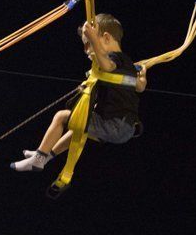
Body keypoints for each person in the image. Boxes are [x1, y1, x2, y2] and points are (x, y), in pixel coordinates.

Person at [10, 14, 147, 172]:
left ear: (107, 38)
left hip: (117, 126)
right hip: (124, 127)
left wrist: (94, 39)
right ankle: (45, 156)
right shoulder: (127, 64)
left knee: (62, 117)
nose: (87, 50)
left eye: (88, 44)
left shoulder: (115, 59)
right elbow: (139, 87)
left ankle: (38, 159)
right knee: (77, 125)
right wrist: (142, 78)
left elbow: (107, 66)